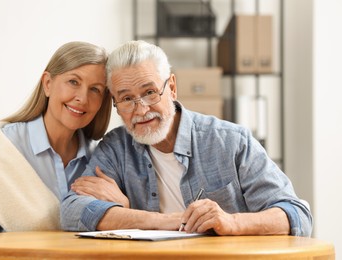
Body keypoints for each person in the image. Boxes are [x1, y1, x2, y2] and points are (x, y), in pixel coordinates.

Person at [61, 40, 313, 237]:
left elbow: (297, 215)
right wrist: (155, 219)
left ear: (171, 87)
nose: (141, 110)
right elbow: (71, 211)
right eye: (126, 99)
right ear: (115, 103)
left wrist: (231, 222)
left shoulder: (231, 141)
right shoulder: (116, 148)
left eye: (150, 92)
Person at [0, 41, 112, 236]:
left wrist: (123, 205)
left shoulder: (100, 159)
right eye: (74, 82)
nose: (82, 98)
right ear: (48, 84)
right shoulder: (4, 147)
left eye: (95, 89)